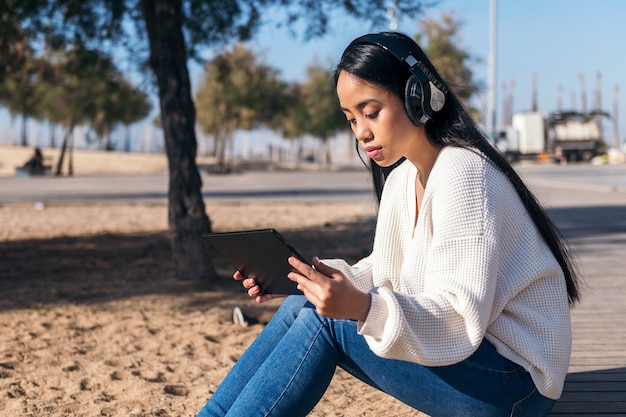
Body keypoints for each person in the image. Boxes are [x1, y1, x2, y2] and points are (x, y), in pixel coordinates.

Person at [195, 31, 580, 417]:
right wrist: (310, 280)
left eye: (371, 111)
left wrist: (361, 308)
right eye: (351, 119)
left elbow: (459, 320)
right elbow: (385, 268)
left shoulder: (465, 172)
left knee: (327, 321)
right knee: (304, 305)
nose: (361, 132)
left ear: (418, 97)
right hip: (480, 366)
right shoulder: (403, 177)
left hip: (516, 387)